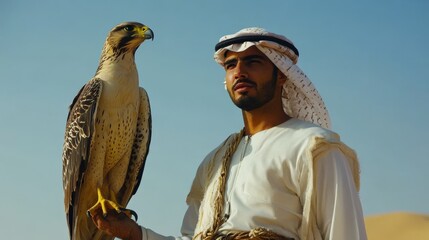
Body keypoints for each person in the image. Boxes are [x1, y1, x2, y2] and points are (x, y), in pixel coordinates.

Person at [91, 27, 368, 240]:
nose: (240, 72)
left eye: (253, 62)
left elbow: (345, 233)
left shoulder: (314, 148)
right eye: (231, 65)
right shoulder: (214, 162)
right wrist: (135, 234)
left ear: (282, 74)